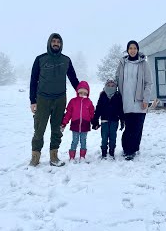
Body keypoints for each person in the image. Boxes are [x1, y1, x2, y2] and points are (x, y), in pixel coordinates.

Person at [29, 33, 79, 167]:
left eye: (58, 42)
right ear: (49, 43)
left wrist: (80, 90)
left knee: (57, 129)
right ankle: (35, 157)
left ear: (61, 44)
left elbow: (73, 78)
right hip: (43, 99)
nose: (56, 43)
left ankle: (54, 156)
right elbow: (33, 81)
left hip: (60, 99)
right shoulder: (40, 59)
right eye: (54, 41)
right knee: (39, 129)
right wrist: (32, 101)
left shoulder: (66, 60)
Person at [115, 40, 153, 160]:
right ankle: (127, 149)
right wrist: (108, 91)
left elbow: (149, 83)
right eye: (130, 48)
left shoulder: (143, 63)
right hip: (126, 100)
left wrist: (146, 99)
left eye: (134, 48)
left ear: (137, 50)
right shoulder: (122, 63)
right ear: (127, 50)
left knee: (137, 127)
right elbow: (116, 79)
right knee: (129, 127)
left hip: (140, 101)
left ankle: (133, 149)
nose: (132, 50)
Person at [61, 81, 95, 162]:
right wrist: (64, 123)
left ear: (87, 93)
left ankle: (82, 156)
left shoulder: (89, 102)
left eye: (84, 93)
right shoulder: (73, 101)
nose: (82, 94)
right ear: (77, 92)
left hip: (85, 125)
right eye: (80, 92)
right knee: (74, 141)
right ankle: (72, 157)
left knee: (83, 141)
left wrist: (94, 122)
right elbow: (68, 113)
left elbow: (92, 114)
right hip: (75, 125)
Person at [91, 79, 125, 160]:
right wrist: (95, 120)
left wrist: (122, 120)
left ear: (115, 87)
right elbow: (98, 108)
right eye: (108, 85)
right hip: (104, 120)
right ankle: (104, 152)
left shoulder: (117, 96)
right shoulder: (102, 95)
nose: (110, 87)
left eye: (112, 86)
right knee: (104, 137)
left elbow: (120, 109)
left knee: (113, 137)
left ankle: (112, 151)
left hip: (114, 120)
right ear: (105, 86)